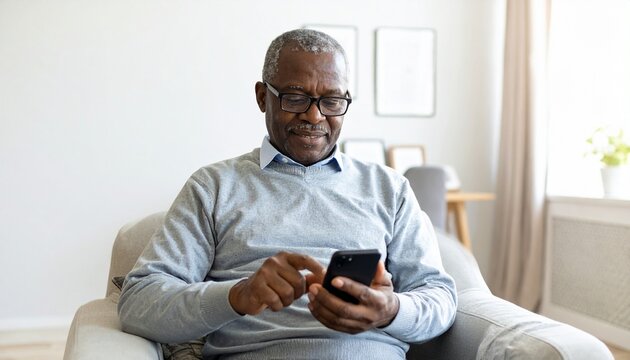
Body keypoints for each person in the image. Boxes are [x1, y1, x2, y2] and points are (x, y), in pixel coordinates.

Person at [118, 28, 457, 360]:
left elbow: (440, 298)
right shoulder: (213, 186)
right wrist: (237, 295)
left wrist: (391, 310)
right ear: (263, 96)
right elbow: (137, 303)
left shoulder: (389, 189)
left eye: (332, 101)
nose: (314, 115)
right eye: (295, 98)